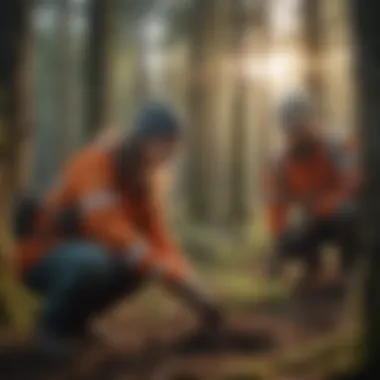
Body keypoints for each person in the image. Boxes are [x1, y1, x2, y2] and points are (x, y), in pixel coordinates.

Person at [15, 103, 222, 351]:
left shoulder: (145, 183)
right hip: (42, 255)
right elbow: (106, 226)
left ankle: (77, 323)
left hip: (86, 257)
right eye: (166, 143)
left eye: (174, 145)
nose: (170, 153)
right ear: (144, 140)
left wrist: (189, 284)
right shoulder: (94, 162)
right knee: (94, 263)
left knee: (133, 266)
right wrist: (157, 265)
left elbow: (160, 241)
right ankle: (52, 328)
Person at [265, 92, 359, 286]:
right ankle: (313, 272)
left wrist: (319, 205)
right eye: (290, 128)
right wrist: (277, 243)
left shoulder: (339, 146)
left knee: (348, 215)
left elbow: (352, 188)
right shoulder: (281, 163)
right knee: (290, 240)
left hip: (342, 216)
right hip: (312, 221)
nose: (297, 133)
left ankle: (349, 272)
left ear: (312, 121)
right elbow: (277, 207)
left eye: (300, 125)